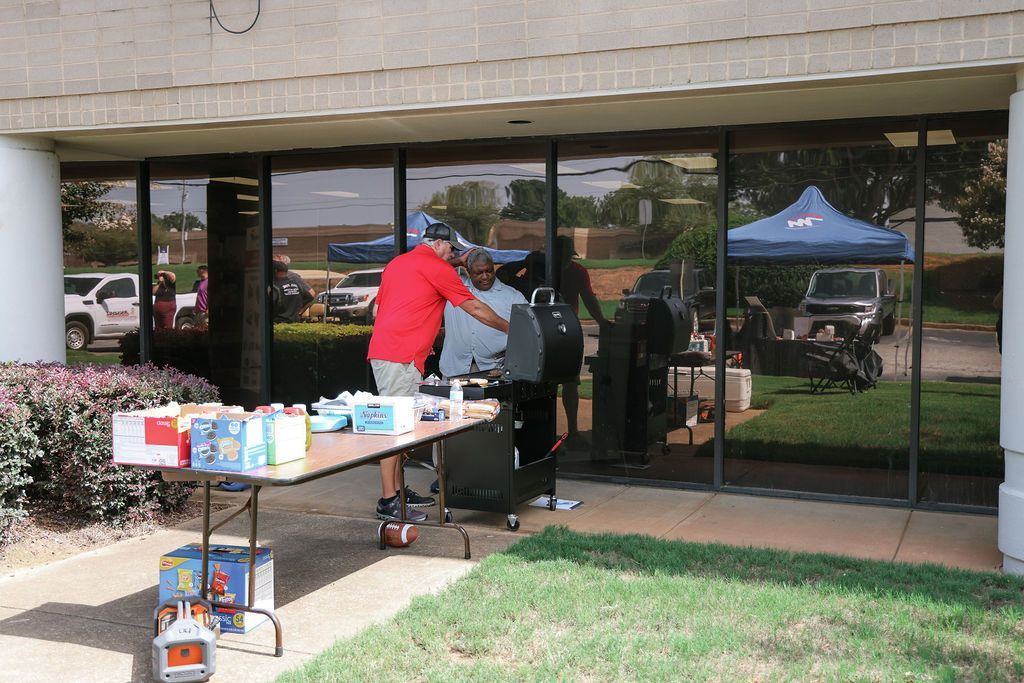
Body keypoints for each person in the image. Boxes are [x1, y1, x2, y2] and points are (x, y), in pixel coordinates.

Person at [367, 222, 510, 522]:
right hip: (401, 357)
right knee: (395, 430)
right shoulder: (438, 269)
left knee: (404, 426)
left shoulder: (398, 263)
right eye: (451, 250)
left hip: (387, 352)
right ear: (439, 245)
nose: (453, 256)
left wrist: (455, 260)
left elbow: (381, 310)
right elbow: (475, 308)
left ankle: (397, 490)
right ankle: (388, 502)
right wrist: (512, 329)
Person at [439, 249, 527, 378]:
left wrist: (512, 357)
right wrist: (458, 261)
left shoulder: (513, 296)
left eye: (489, 271)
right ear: (468, 272)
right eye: (479, 273)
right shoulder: (454, 288)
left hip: (494, 371)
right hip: (454, 369)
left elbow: (528, 332)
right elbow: (428, 269)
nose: (486, 276)